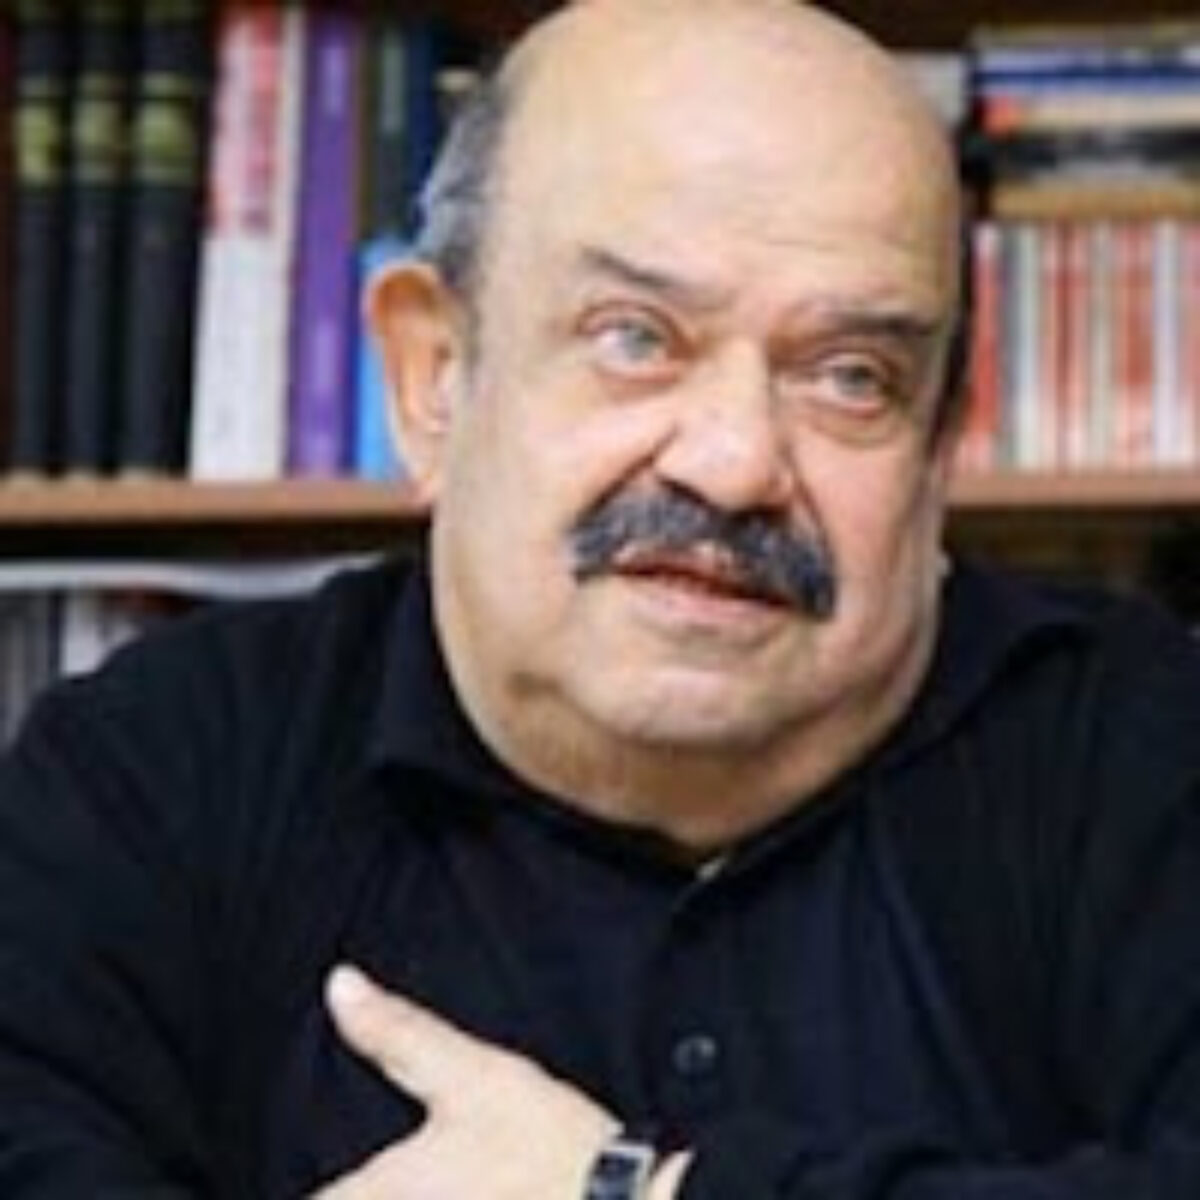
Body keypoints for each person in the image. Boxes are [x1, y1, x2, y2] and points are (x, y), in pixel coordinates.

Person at [2, 0, 1200, 1196]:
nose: (733, 463)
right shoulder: (149, 775)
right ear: (432, 378)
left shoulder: (1146, 751)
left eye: (851, 376)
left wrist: (632, 1189)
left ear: (938, 452)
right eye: (635, 339)